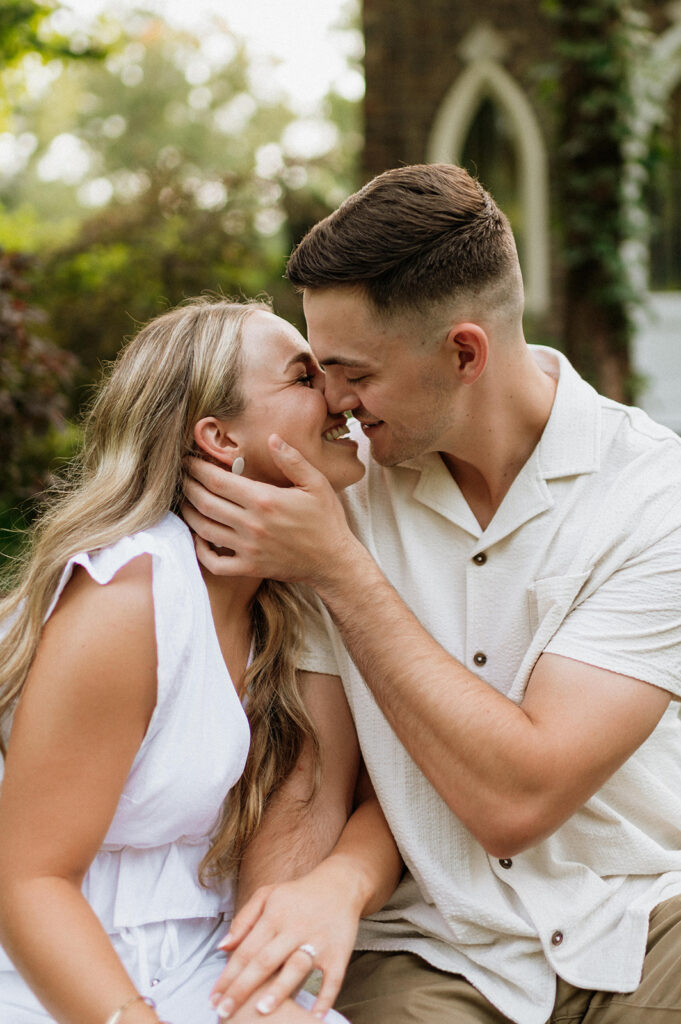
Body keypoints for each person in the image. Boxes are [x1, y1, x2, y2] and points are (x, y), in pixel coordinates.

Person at [182, 164, 681, 1024]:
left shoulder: (651, 499)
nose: (333, 404)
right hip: (432, 949)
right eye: (316, 370)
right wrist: (276, 981)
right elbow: (310, 777)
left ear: (463, 353)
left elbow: (516, 799)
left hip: (641, 925)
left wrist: (339, 570)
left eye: (352, 373)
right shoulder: (338, 491)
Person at [0, 297, 403, 1024]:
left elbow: (357, 795)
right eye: (305, 378)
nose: (339, 396)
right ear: (219, 438)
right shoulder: (130, 599)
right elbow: (28, 883)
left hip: (200, 959)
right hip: (59, 973)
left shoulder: (290, 596)